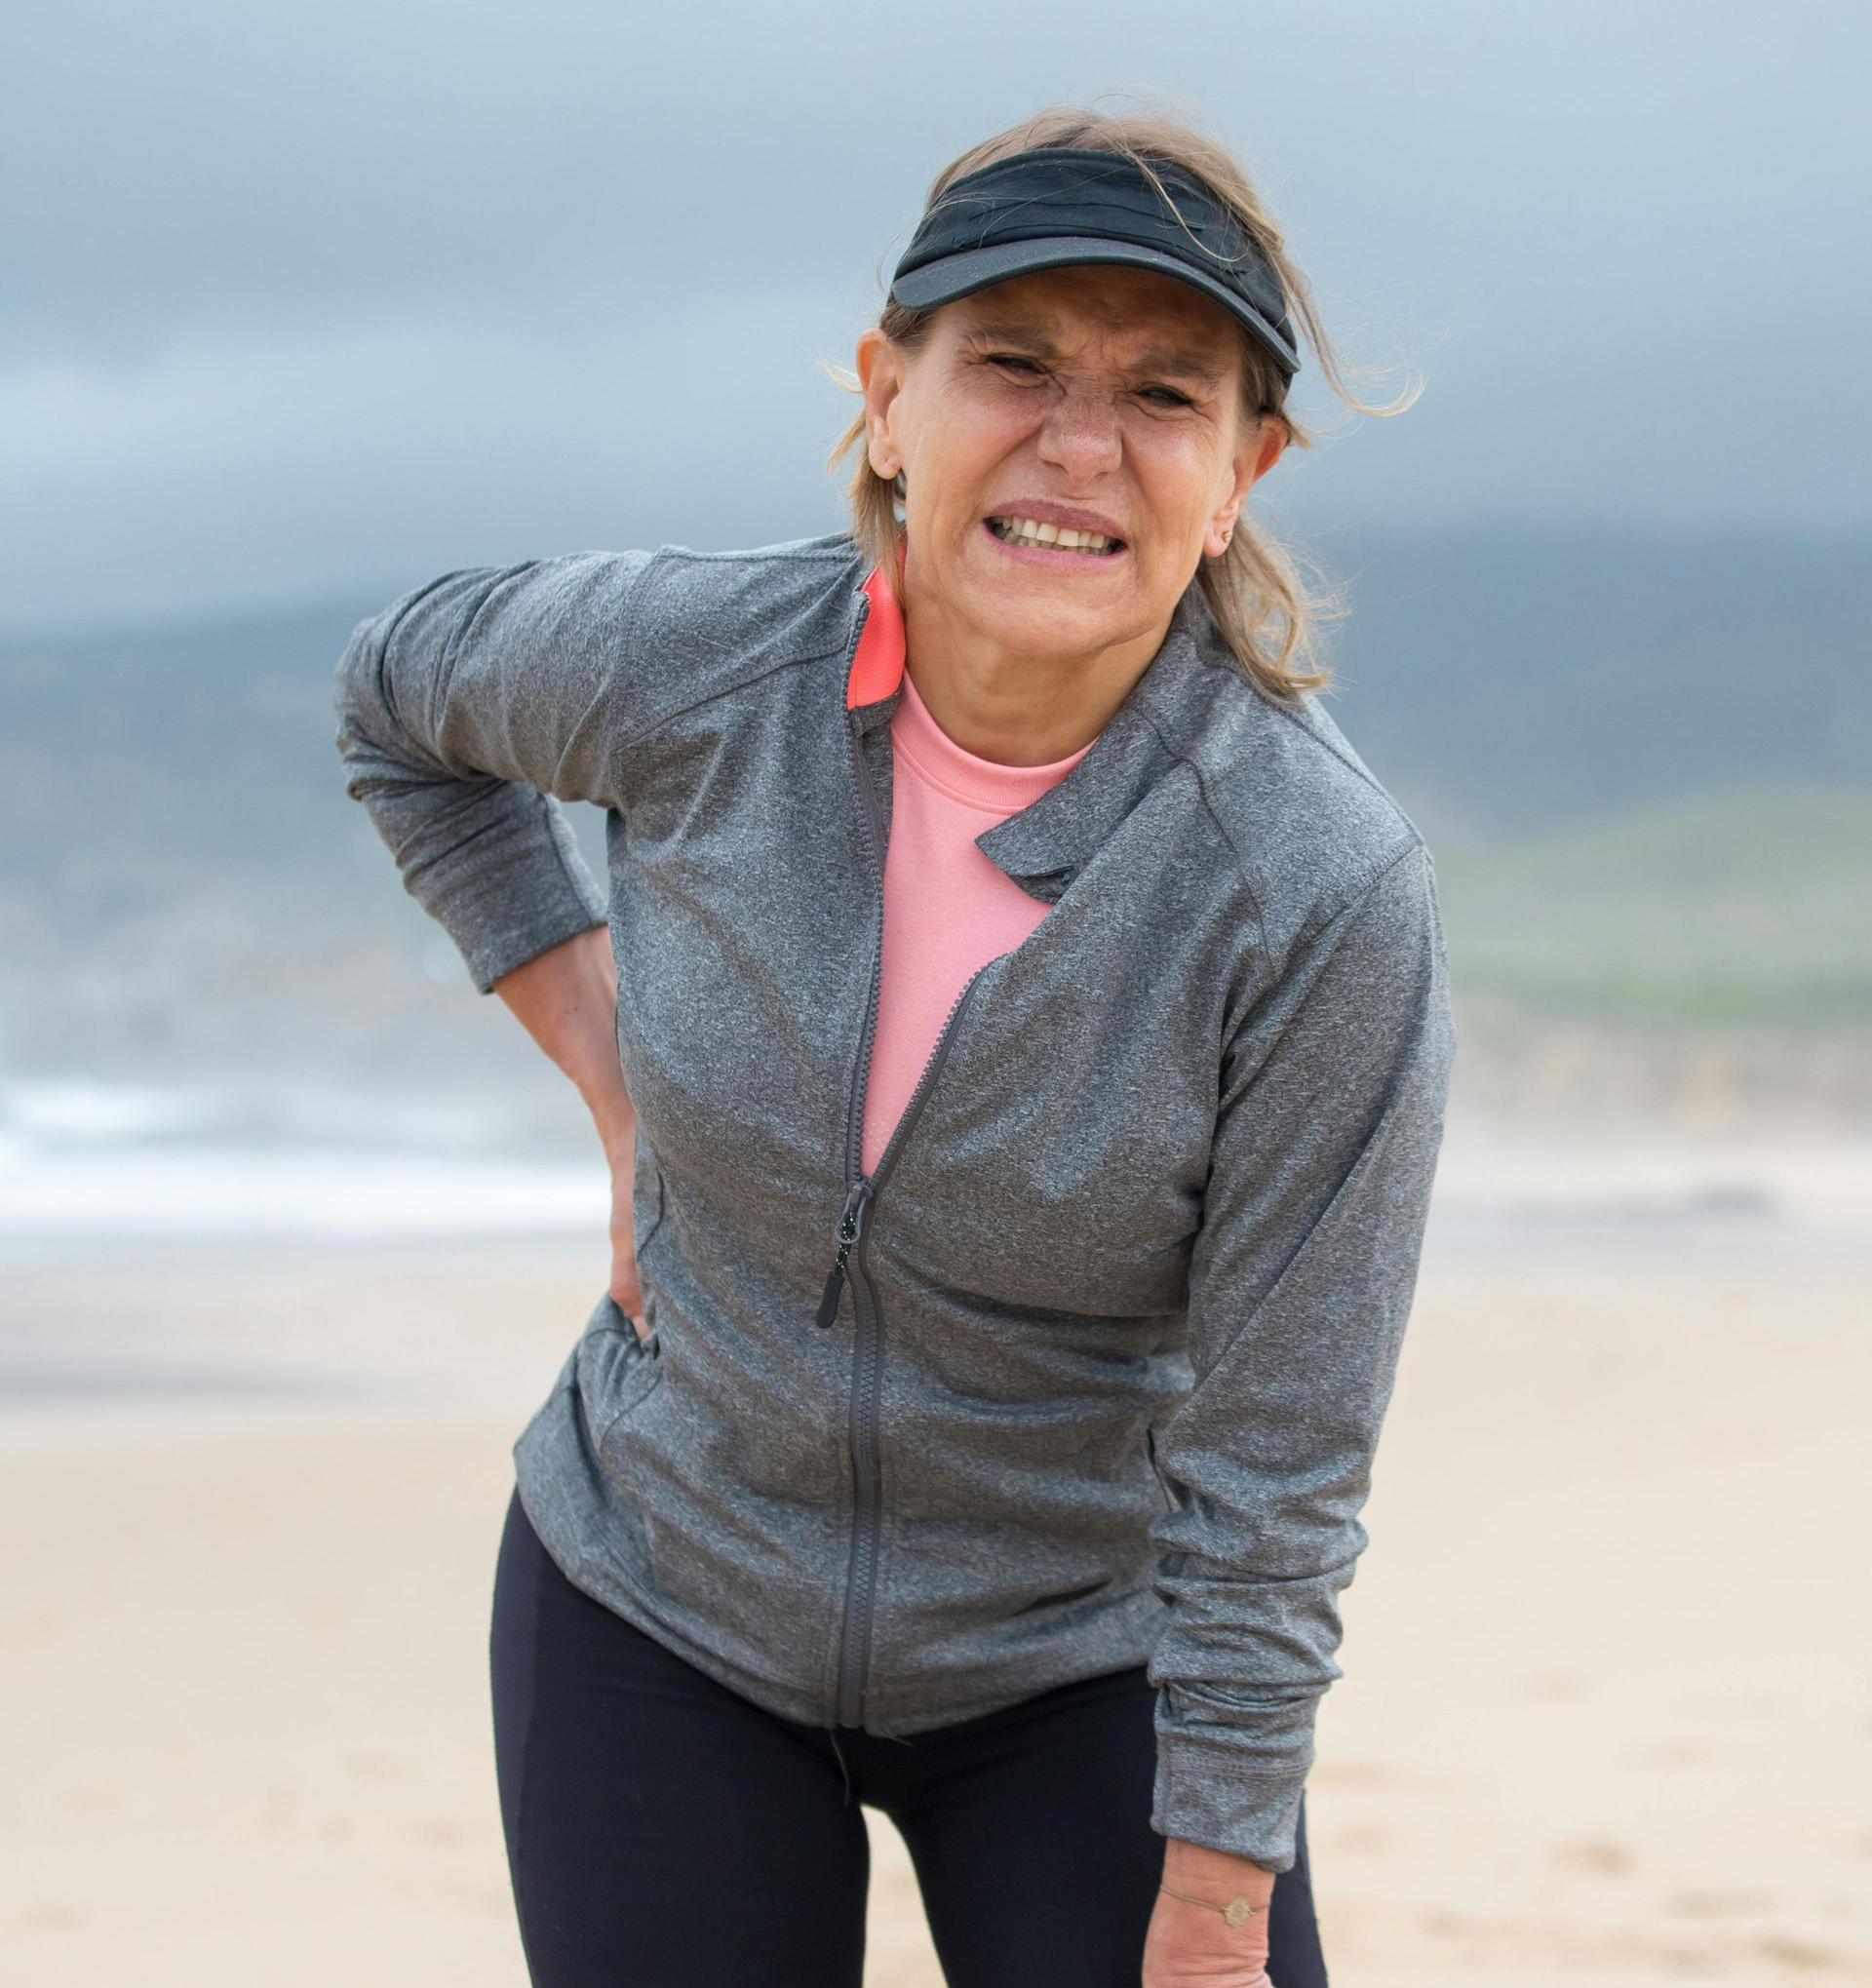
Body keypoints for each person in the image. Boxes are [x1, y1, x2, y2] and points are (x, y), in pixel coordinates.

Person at [332, 102, 1455, 1988]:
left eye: (1163, 395)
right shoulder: (691, 672)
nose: (1079, 443)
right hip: (660, 1591)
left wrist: (1213, 1898)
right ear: (886, 394)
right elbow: (399, 702)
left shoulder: (1313, 887)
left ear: (1245, 466)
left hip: (1080, 1656)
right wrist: (609, 1074)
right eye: (1011, 362)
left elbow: (1282, 1461)